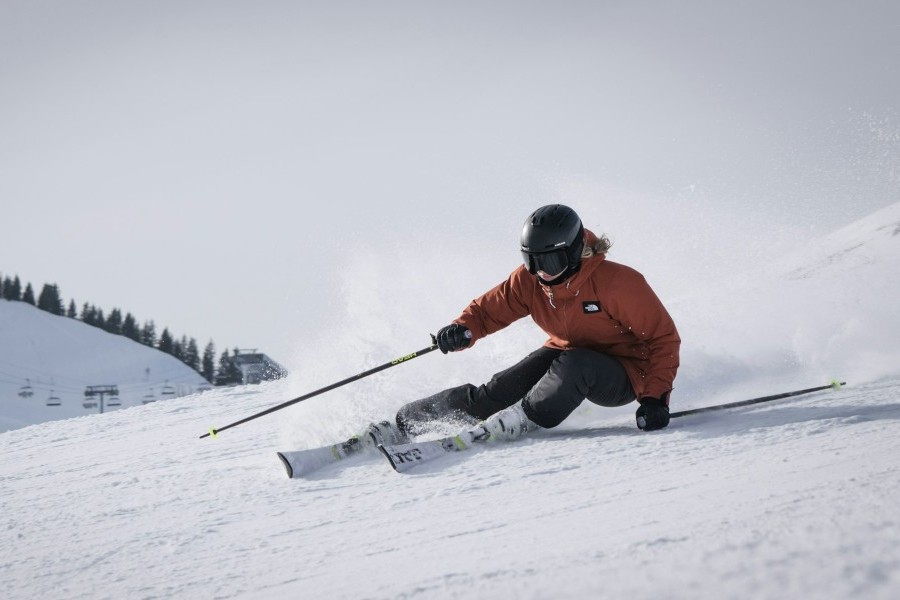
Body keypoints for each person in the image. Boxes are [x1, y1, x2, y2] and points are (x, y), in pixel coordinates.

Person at [367, 204, 680, 447]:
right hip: (565, 353)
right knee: (495, 392)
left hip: (624, 372)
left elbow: (663, 340)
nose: (541, 272)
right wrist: (463, 329)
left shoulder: (618, 283)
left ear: (572, 254)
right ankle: (407, 423)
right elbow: (489, 310)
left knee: (576, 362)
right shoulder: (530, 281)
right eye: (533, 261)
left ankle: (521, 419)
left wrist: (654, 399)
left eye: (550, 262)